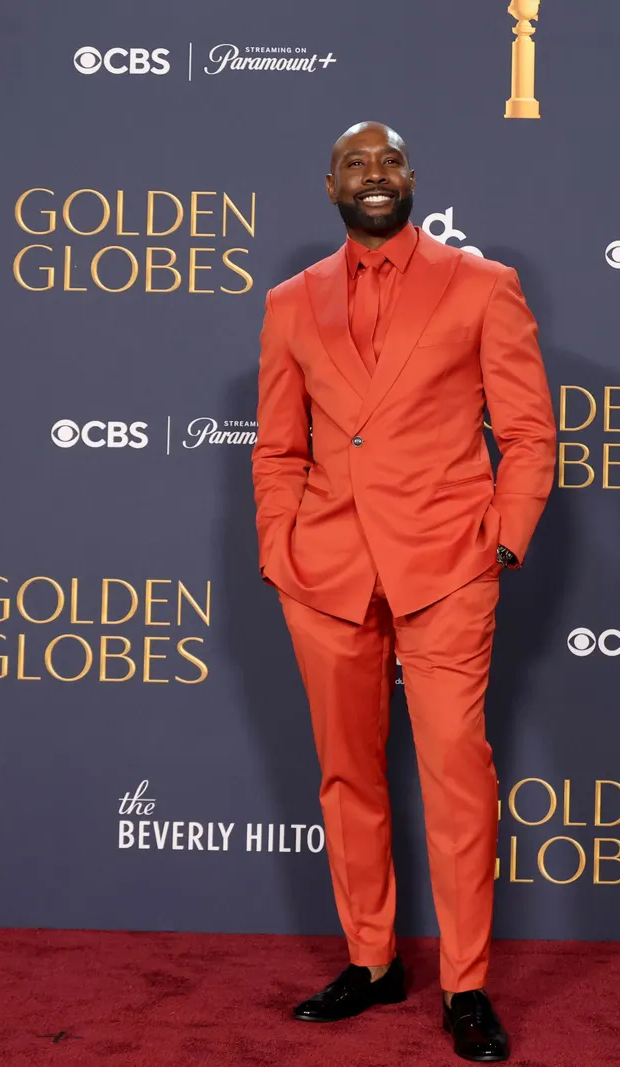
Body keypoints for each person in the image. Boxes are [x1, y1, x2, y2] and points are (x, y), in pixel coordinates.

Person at [251, 121, 556, 1062]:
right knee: (347, 774)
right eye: (356, 164)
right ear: (329, 185)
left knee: (457, 773)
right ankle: (373, 960)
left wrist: (500, 542)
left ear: (413, 179)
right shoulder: (290, 302)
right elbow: (277, 446)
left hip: (447, 565)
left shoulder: (482, 284)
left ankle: (465, 985)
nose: (374, 176)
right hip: (327, 572)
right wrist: (278, 547)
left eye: (389, 162)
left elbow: (530, 431)